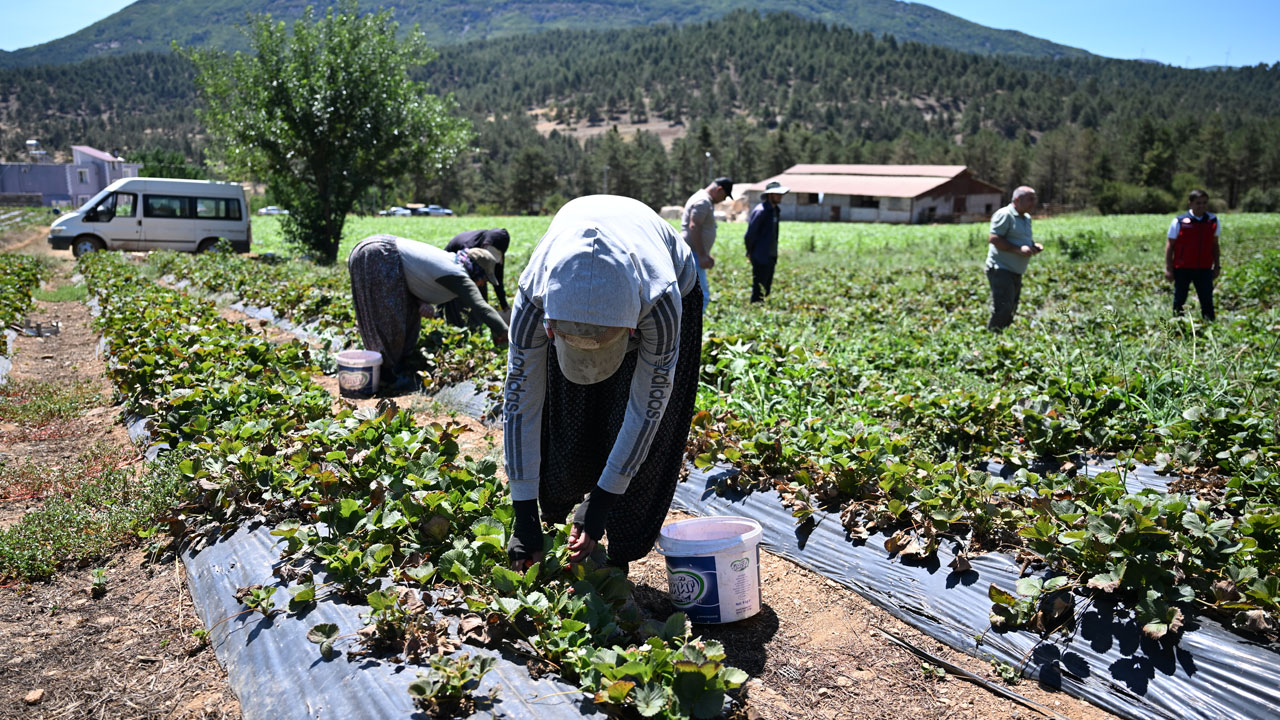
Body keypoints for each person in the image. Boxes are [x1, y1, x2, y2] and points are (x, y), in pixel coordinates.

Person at [503, 195, 702, 573]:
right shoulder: (535, 296)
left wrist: (605, 498)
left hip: (661, 288)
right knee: (567, 420)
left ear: (630, 330)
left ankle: (616, 556)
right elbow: (520, 402)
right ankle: (559, 514)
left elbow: (648, 408)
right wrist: (523, 512)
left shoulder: (661, 302)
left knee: (644, 439)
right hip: (580, 309)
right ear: (551, 328)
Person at [348, 234, 508, 394]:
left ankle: (396, 369)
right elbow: (481, 306)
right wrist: (506, 333)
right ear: (477, 270)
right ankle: (385, 376)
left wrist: (421, 303)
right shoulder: (457, 274)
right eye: (484, 279)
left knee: (408, 318)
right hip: (379, 256)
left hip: (379, 253)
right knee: (389, 321)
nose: (482, 284)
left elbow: (412, 274)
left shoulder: (451, 262)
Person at [985, 186, 1043, 331]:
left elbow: (1021, 239)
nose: (1033, 202)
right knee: (1004, 307)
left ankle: (1003, 338)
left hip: (1016, 270)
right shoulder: (1005, 215)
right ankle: (993, 338)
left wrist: (1033, 246)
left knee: (1012, 306)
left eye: (1034, 199)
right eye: (1030, 199)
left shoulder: (1026, 218)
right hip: (1001, 268)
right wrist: (1018, 249)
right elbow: (994, 239)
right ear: (1017, 200)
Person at [1165, 189, 1220, 321]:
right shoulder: (1179, 221)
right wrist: (1168, 268)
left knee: (1207, 299)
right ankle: (1177, 325)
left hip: (1204, 268)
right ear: (1190, 203)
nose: (1201, 206)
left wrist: (1217, 266)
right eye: (1198, 203)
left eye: (1204, 203)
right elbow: (1170, 246)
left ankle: (1210, 326)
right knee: (1180, 299)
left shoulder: (1212, 221)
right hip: (1183, 268)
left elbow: (1215, 245)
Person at [680, 176, 733, 311]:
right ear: (719, 189)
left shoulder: (703, 199)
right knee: (701, 296)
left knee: (692, 295)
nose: (724, 199)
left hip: (695, 253)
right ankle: (692, 329)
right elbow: (694, 226)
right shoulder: (703, 201)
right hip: (693, 254)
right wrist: (702, 255)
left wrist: (705, 254)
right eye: (725, 195)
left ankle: (688, 328)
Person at [444, 228, 512, 312]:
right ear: (484, 246)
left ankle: (479, 316)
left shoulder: (497, 253)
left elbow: (497, 280)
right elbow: (465, 282)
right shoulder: (469, 247)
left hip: (474, 270)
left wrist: (504, 305)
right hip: (453, 262)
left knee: (481, 293)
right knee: (457, 297)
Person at [744, 180, 789, 303]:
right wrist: (750, 251)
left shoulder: (775, 211)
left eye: (781, 194)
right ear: (770, 195)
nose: (780, 197)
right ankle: (755, 311)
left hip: (771, 254)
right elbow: (750, 235)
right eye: (777, 194)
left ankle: (762, 311)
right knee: (759, 287)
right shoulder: (761, 211)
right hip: (760, 255)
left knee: (767, 287)